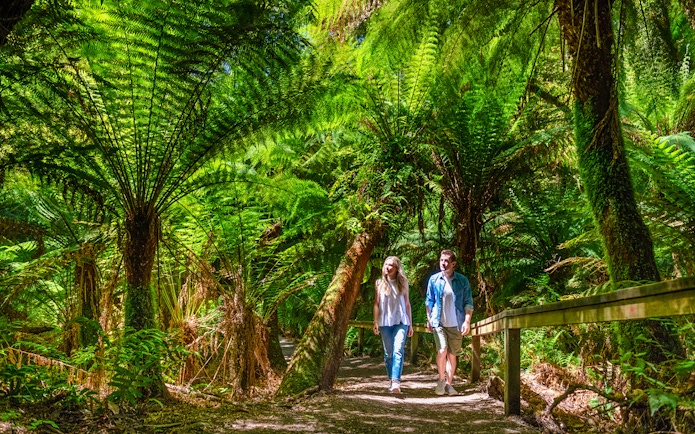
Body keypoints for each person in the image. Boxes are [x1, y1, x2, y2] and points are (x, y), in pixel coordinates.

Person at [425, 249, 474, 396]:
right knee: (442, 350)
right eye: (441, 260)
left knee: (452, 355)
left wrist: (467, 321)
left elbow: (468, 302)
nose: (443, 263)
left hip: (456, 323)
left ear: (453, 264)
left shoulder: (462, 281)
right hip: (438, 321)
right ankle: (441, 380)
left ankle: (449, 384)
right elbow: (429, 301)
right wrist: (429, 319)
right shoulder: (434, 280)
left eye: (447, 261)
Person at [373, 256, 414, 394]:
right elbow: (377, 304)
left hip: (401, 320)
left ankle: (396, 382)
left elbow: (407, 304)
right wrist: (375, 322)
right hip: (385, 322)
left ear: (397, 268)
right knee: (388, 354)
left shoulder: (402, 283)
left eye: (391, 265)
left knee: (398, 350)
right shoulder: (379, 283)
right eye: (386, 265)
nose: (388, 268)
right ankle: (392, 379)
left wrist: (411, 324)